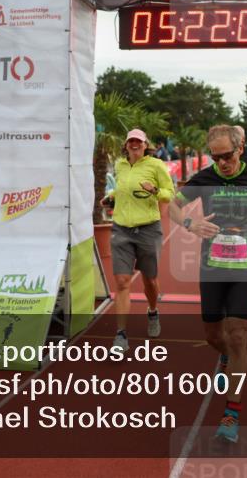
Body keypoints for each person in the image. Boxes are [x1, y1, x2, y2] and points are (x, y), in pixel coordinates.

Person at [168, 124, 247, 443]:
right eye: (215, 156)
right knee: (213, 335)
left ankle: (231, 413)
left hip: (245, 266)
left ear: (240, 149)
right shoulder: (205, 180)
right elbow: (172, 205)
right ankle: (224, 356)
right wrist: (190, 223)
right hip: (212, 268)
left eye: (227, 156)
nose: (222, 162)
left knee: (238, 336)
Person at [101, 128, 174, 351]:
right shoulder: (121, 165)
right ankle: (121, 335)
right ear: (126, 145)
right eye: (131, 141)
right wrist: (110, 198)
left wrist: (154, 190)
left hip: (148, 230)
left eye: (138, 141)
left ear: (145, 144)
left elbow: (169, 193)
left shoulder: (156, 165)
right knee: (122, 282)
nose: (134, 144)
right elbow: (121, 189)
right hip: (121, 229)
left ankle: (152, 311)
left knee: (149, 280)